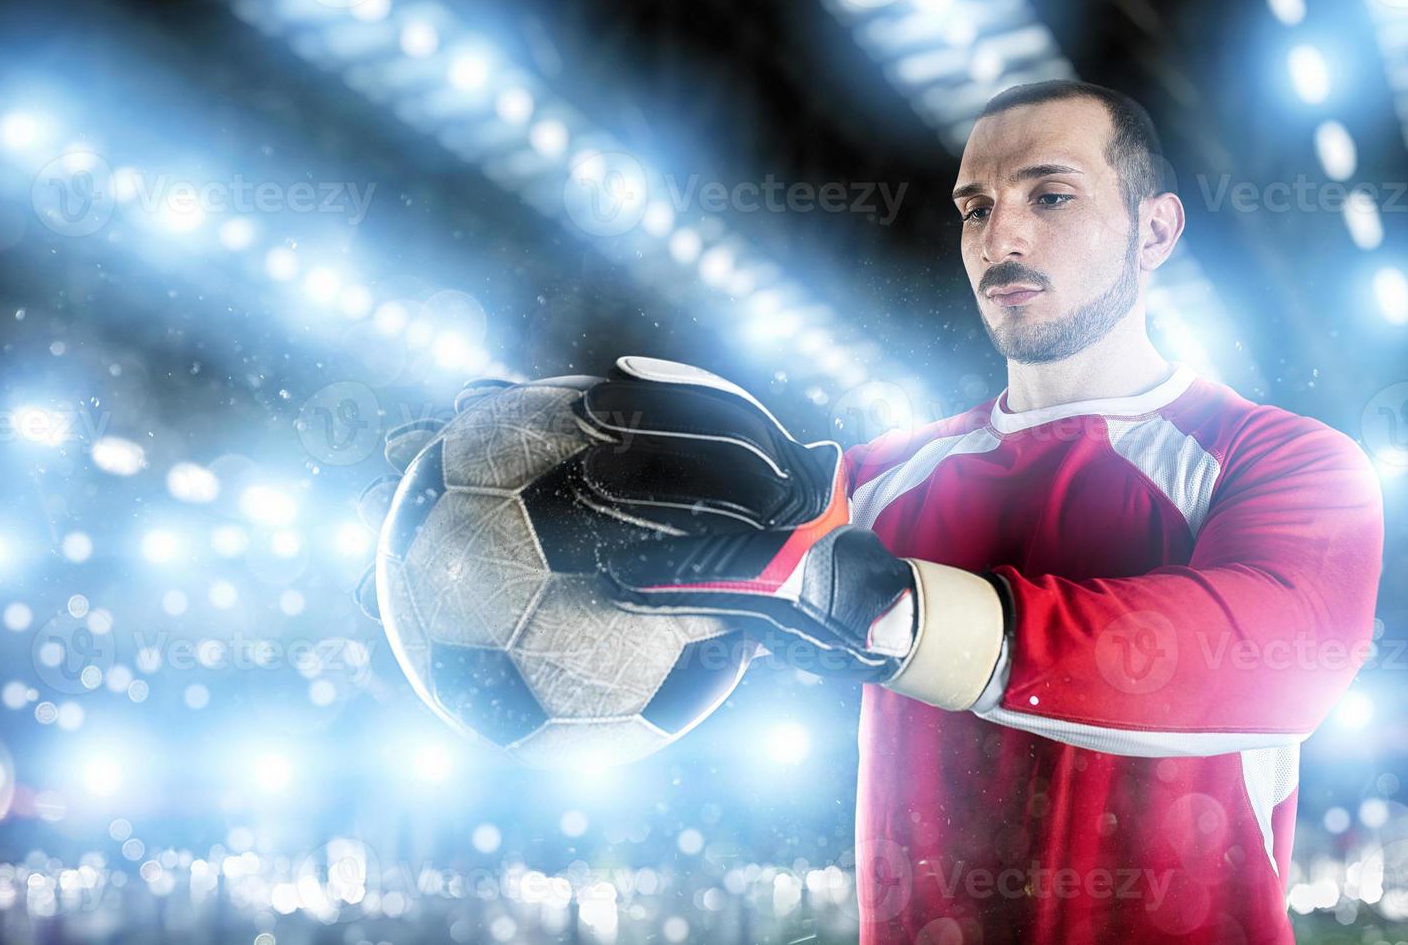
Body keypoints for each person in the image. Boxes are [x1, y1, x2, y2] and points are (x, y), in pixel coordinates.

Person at [574, 81, 1386, 943]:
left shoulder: (1284, 458)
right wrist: (533, 488)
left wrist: (896, 615)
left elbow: (1267, 663)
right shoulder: (872, 481)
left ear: (1155, 230)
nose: (1001, 237)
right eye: (975, 207)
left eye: (1051, 196)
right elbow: (672, 629)